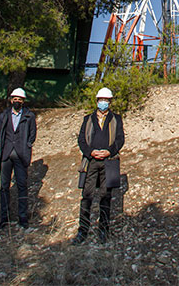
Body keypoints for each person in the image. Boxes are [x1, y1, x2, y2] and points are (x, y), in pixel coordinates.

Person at [73, 87, 125, 244]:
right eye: (101, 100)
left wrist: (109, 151)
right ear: (97, 101)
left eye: (107, 100)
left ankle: (103, 230)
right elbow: (81, 140)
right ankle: (83, 230)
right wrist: (91, 152)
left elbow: (120, 139)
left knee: (105, 196)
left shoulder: (116, 119)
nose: (104, 103)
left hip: (108, 162)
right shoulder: (87, 119)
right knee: (87, 195)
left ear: (110, 102)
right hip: (91, 162)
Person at [0, 87, 36, 230]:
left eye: (20, 99)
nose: (17, 101)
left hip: (21, 155)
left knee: (22, 186)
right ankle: (4, 218)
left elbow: (32, 134)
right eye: (15, 99)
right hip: (5, 156)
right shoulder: (4, 115)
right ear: (11, 100)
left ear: (23, 101)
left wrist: (26, 145)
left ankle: (22, 218)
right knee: (4, 187)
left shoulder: (29, 116)